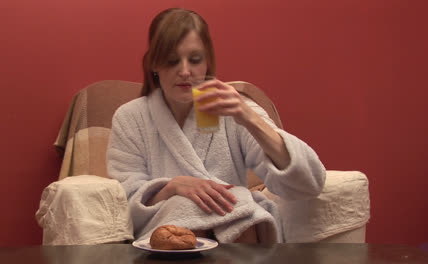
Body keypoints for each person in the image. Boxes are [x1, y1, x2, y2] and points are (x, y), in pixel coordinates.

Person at [106, 8, 326, 243]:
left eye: (195, 59)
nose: (184, 71)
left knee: (242, 209)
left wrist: (248, 117)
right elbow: (125, 201)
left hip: (239, 235)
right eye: (171, 60)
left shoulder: (234, 109)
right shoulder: (131, 117)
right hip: (169, 240)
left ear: (208, 62)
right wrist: (172, 187)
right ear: (154, 64)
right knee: (189, 208)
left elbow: (308, 182)